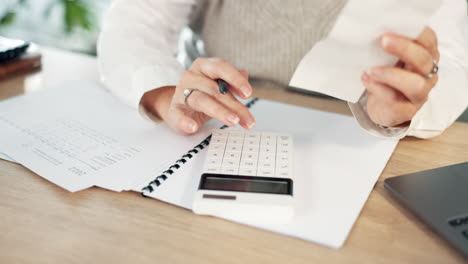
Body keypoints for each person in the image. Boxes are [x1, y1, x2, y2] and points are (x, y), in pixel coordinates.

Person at [97, 0, 468, 138]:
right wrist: (166, 94)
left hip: (358, 141)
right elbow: (135, 21)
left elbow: (454, 59)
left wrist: (404, 107)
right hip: (223, 122)